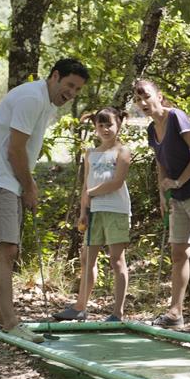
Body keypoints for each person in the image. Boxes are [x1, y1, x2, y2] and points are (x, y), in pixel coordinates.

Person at [0, 58, 89, 343]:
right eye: (69, 85)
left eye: (78, 90)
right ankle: (10, 323)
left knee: (3, 249)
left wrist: (24, 185)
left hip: (5, 179)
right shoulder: (32, 98)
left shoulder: (44, 100)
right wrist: (30, 186)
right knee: (6, 248)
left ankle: (3, 320)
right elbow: (15, 149)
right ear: (55, 76)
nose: (72, 93)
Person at [132, 78, 190, 336]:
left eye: (146, 97)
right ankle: (175, 313)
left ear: (159, 96)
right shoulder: (152, 129)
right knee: (178, 253)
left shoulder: (177, 117)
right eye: (138, 100)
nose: (143, 103)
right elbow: (160, 160)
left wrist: (179, 181)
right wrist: (163, 192)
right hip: (177, 196)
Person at [52, 107, 132, 323]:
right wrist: (83, 211)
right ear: (95, 127)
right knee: (88, 259)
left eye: (110, 125)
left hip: (116, 210)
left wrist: (92, 193)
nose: (106, 129)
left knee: (116, 260)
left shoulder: (122, 151)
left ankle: (117, 312)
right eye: (101, 125)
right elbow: (86, 184)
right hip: (94, 211)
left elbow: (117, 182)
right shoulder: (90, 153)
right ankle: (80, 307)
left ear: (118, 125)